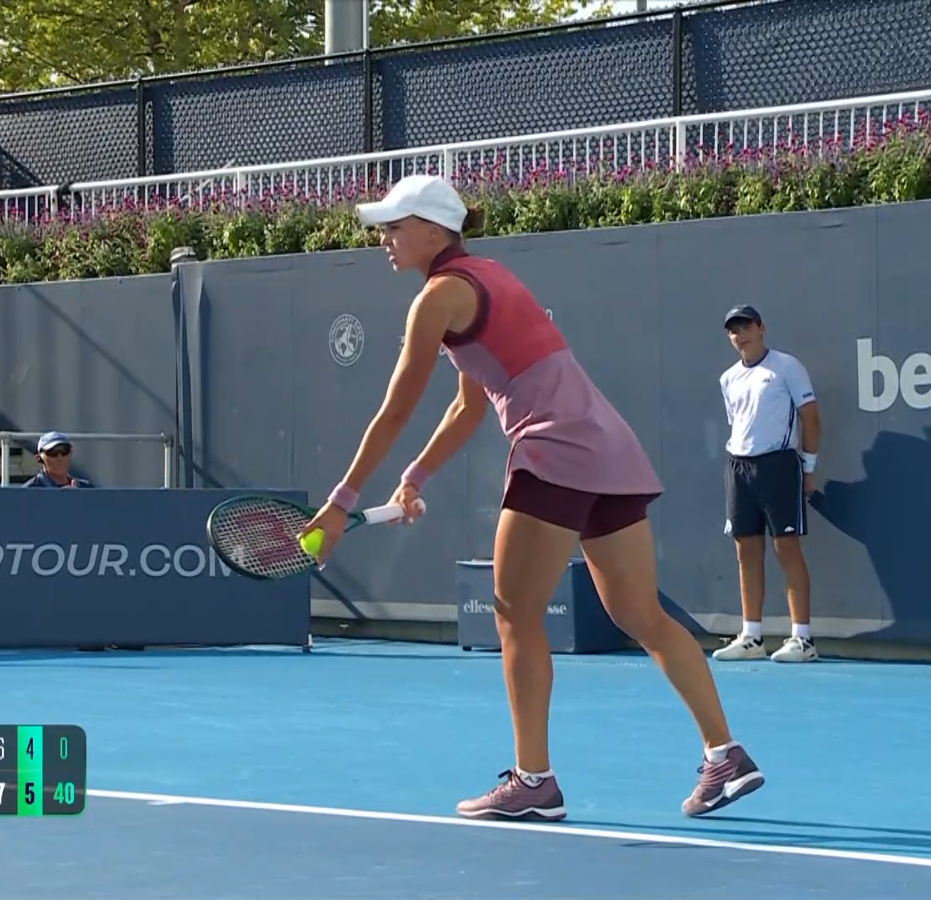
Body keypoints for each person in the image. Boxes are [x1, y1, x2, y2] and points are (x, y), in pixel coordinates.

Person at [297, 174, 764, 822]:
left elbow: (396, 409)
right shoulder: (488, 278)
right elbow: (468, 405)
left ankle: (533, 782)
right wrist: (416, 476)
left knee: (514, 614)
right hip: (609, 449)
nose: (384, 238)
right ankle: (724, 753)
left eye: (395, 226)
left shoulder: (437, 297)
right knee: (641, 614)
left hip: (555, 452)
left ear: (433, 230)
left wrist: (341, 502)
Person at [709, 305, 821, 664]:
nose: (740, 335)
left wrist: (808, 469)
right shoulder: (728, 379)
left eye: (746, 327)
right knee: (746, 550)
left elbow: (810, 418)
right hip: (739, 467)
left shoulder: (787, 367)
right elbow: (740, 424)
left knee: (786, 548)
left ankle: (803, 639)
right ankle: (752, 636)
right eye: (733, 330)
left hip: (779, 465)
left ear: (761, 328)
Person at [22, 432, 92, 488]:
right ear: (39, 457)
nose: (59, 458)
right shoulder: (28, 491)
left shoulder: (86, 488)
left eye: (64, 451)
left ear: (71, 453)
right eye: (52, 452)